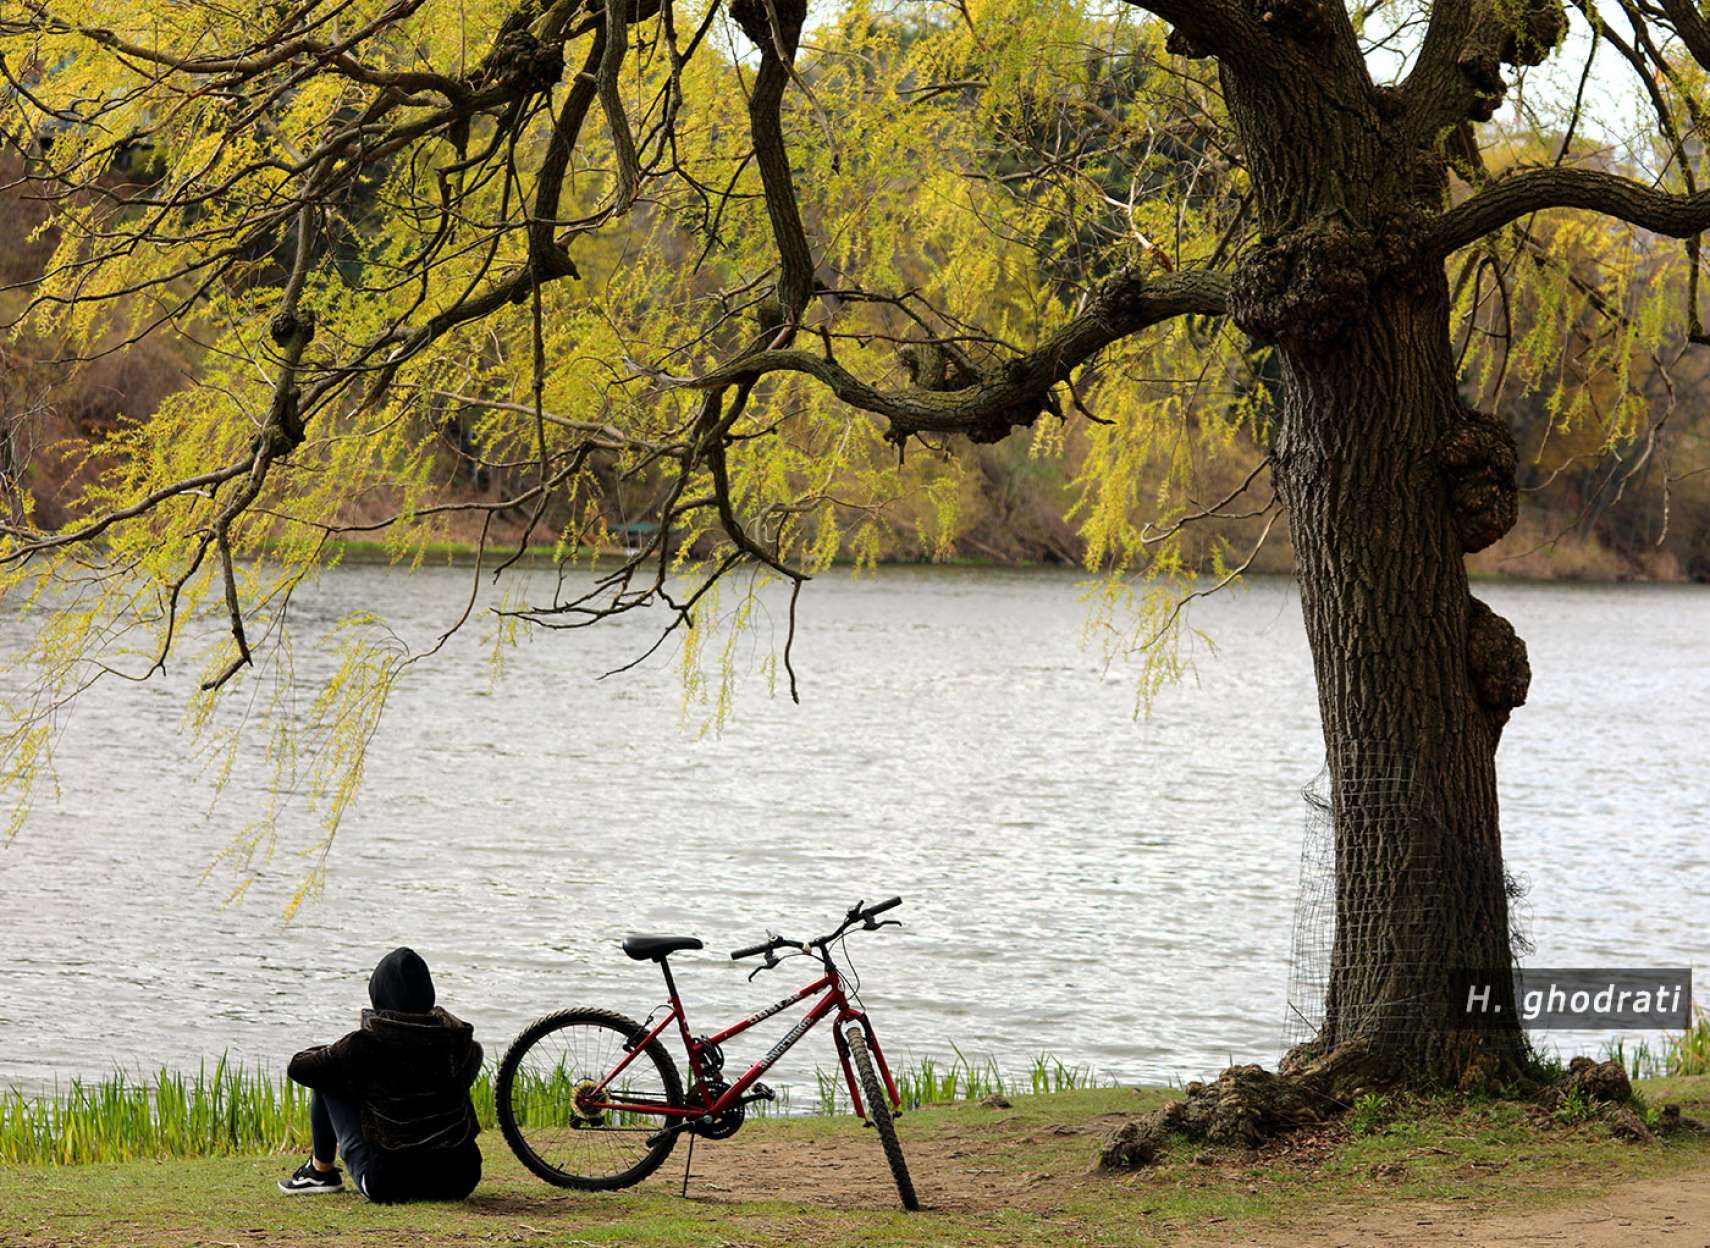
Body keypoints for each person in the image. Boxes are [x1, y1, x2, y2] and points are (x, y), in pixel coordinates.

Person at [277, 947, 483, 1202]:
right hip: (460, 1179)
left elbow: (299, 1067)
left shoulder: (366, 1044)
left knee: (327, 1077)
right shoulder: (460, 1042)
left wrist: (337, 1047)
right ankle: (320, 1173)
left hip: (389, 1183)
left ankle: (320, 1173)